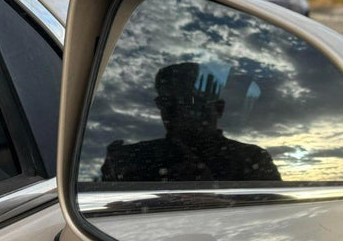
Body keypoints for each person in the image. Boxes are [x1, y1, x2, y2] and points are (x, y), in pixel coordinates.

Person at [101, 62, 280, 183]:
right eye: (167, 103)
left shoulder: (253, 160)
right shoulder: (131, 158)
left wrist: (212, 193)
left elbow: (274, 219)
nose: (179, 111)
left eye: (192, 102)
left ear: (218, 108)